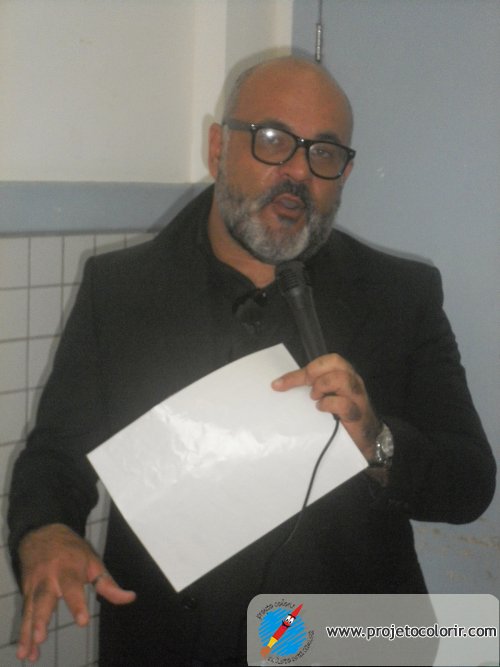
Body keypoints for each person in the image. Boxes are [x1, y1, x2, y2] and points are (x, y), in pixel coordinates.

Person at [8, 56, 495, 666]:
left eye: (323, 153)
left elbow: (470, 484)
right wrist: (46, 529)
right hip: (173, 647)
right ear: (218, 147)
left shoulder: (400, 295)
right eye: (272, 139)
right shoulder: (121, 291)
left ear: (344, 173)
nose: (298, 172)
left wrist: (377, 442)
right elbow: (56, 455)